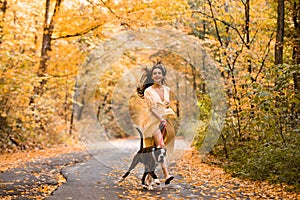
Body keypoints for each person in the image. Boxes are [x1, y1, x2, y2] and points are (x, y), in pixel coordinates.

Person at [136, 61, 176, 185]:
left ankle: (149, 178)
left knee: (159, 148)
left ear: (163, 76)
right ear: (152, 76)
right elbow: (152, 108)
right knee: (161, 144)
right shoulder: (148, 91)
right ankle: (166, 174)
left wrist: (166, 111)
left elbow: (166, 103)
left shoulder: (167, 89)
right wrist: (160, 119)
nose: (157, 75)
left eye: (159, 73)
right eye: (155, 73)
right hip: (153, 121)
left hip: (165, 119)